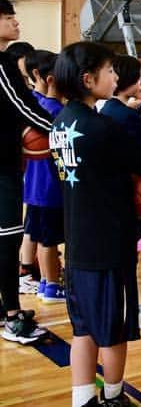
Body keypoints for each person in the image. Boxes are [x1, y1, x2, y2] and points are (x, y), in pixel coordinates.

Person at [52, 42, 141, 407]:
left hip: (76, 244)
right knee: (112, 331)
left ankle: (82, 401)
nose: (115, 76)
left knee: (83, 330)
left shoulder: (59, 124)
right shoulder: (103, 127)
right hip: (110, 242)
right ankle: (113, 397)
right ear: (88, 78)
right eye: (110, 70)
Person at [0, 0, 53, 346]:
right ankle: (11, 315)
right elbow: (23, 107)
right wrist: (61, 128)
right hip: (2, 165)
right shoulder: (1, 64)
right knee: (8, 240)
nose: (16, 22)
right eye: (8, 17)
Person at [22, 50, 64, 303]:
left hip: (35, 186)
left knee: (40, 237)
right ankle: (50, 286)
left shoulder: (34, 105)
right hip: (50, 187)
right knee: (49, 240)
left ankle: (45, 283)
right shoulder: (55, 111)